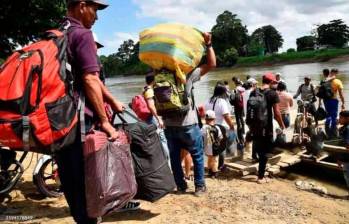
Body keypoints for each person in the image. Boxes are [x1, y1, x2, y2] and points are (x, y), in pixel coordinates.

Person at [58, 1, 137, 223]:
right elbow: (90, 77)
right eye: (95, 9)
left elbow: (85, 76)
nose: (97, 17)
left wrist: (111, 99)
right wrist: (105, 121)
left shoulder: (56, 33)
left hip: (59, 124)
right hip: (80, 128)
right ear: (82, 6)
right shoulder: (82, 34)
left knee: (73, 189)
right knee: (90, 193)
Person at [163, 32, 216, 196]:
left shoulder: (160, 75)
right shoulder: (187, 74)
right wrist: (208, 44)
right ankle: (199, 187)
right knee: (197, 154)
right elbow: (211, 64)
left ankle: (180, 186)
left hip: (168, 124)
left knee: (174, 157)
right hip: (188, 124)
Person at [250, 73, 285, 184]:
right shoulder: (272, 93)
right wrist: (282, 125)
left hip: (254, 126)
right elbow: (277, 113)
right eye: (274, 82)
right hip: (266, 126)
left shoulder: (253, 92)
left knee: (259, 147)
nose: (275, 84)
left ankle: (258, 163)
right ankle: (260, 177)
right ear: (270, 82)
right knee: (265, 152)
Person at [205, 82, 235, 169]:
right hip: (221, 127)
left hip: (209, 126)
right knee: (222, 147)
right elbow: (226, 116)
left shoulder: (208, 100)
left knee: (212, 147)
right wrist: (232, 126)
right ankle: (220, 166)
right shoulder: (222, 101)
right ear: (223, 92)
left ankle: (211, 166)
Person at [143, 73, 170, 165]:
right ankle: (168, 161)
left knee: (156, 139)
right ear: (153, 81)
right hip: (152, 118)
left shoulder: (144, 89)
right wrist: (159, 119)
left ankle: (161, 160)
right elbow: (151, 106)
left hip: (147, 118)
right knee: (163, 139)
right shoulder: (149, 90)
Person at [323, 68, 345, 138]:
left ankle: (327, 132)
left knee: (328, 116)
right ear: (336, 73)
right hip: (333, 101)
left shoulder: (326, 80)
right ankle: (333, 133)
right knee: (333, 117)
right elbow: (341, 94)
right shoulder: (337, 81)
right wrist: (343, 102)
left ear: (330, 72)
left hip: (326, 101)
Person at [201, 110, 222, 178]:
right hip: (215, 147)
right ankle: (214, 172)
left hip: (207, 147)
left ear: (205, 119)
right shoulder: (217, 127)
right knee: (215, 160)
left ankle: (209, 170)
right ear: (214, 119)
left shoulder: (203, 128)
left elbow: (201, 136)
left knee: (209, 159)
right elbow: (220, 137)